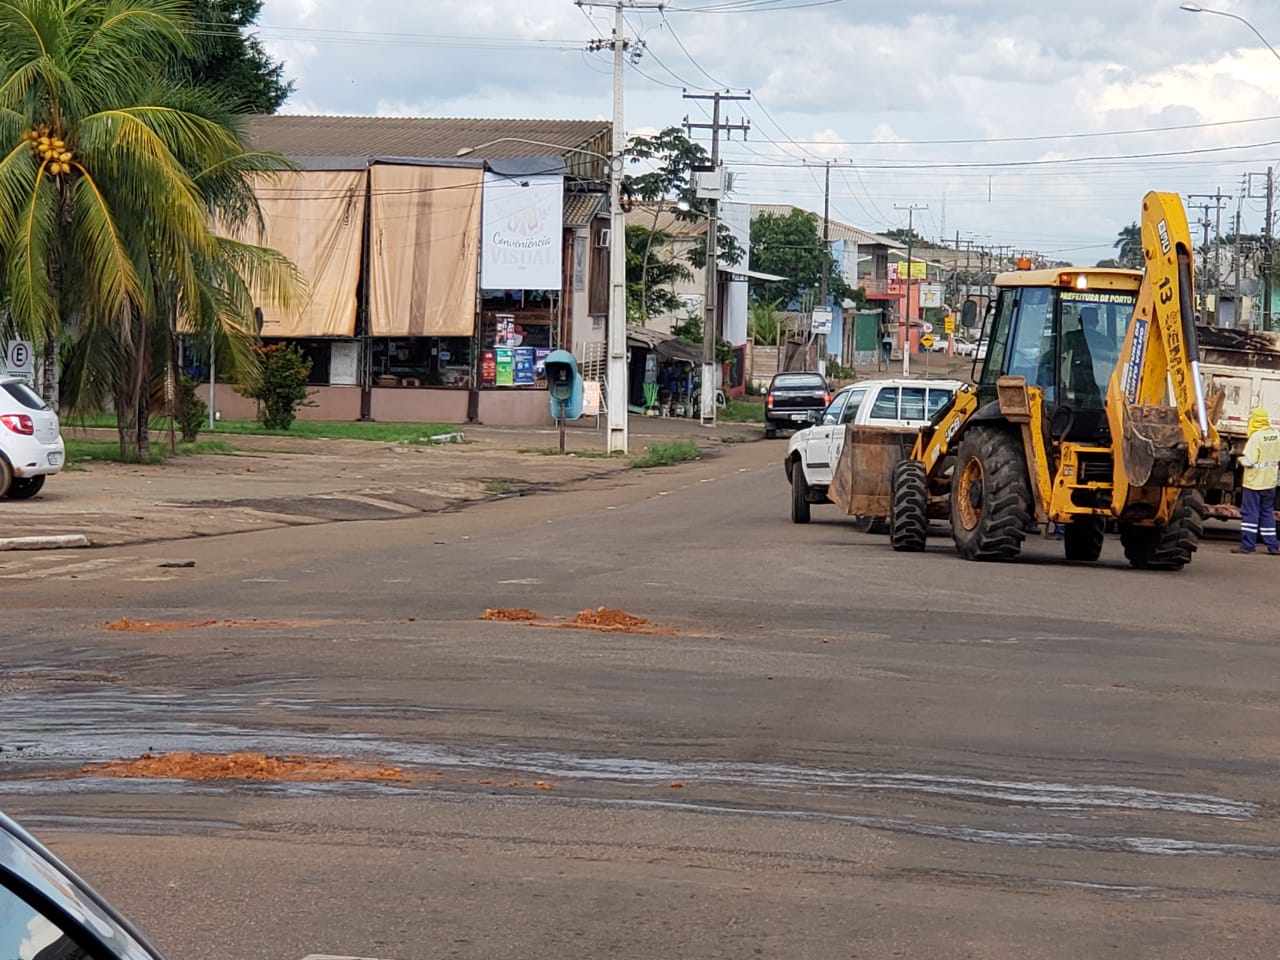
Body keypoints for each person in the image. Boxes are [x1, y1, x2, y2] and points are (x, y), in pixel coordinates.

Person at [1234, 407, 1280, 555]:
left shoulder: (1256, 437)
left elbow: (1250, 461)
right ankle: (1273, 546)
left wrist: (1239, 459)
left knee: (1250, 514)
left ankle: (1247, 545)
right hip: (1270, 483)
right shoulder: (1276, 435)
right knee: (1267, 513)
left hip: (1254, 483)